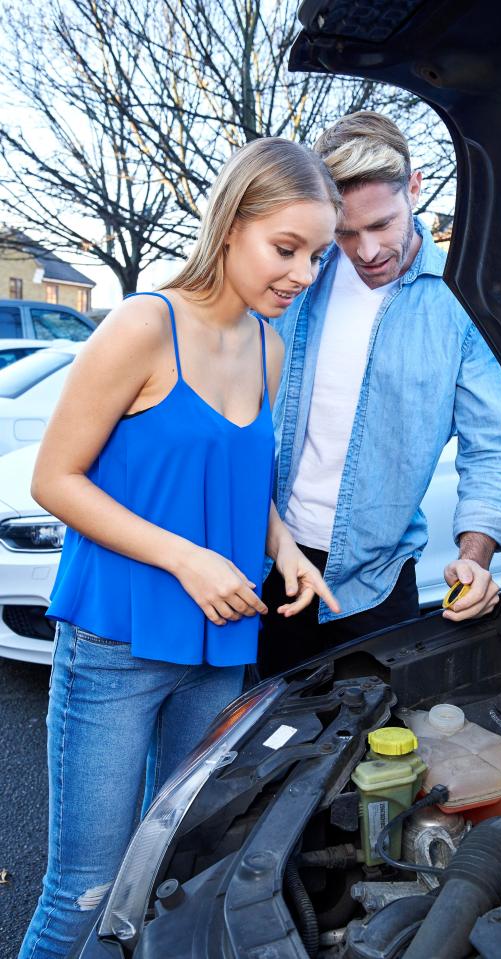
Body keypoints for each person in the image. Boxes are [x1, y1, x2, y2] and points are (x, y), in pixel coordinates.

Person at [19, 137, 341, 959]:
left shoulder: (271, 348)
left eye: (316, 255)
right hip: (118, 644)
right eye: (286, 248)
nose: (303, 273)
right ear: (231, 225)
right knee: (87, 889)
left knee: (171, 870)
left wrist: (285, 546)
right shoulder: (143, 324)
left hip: (223, 642)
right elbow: (55, 480)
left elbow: (239, 474)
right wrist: (186, 556)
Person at [258, 112, 501, 677]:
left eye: (382, 223)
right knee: (258, 751)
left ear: (414, 186)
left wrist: (473, 560)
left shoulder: (463, 304)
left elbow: (494, 448)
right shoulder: (295, 282)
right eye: (346, 232)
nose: (368, 250)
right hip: (263, 563)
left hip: (377, 587)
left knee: (379, 751)